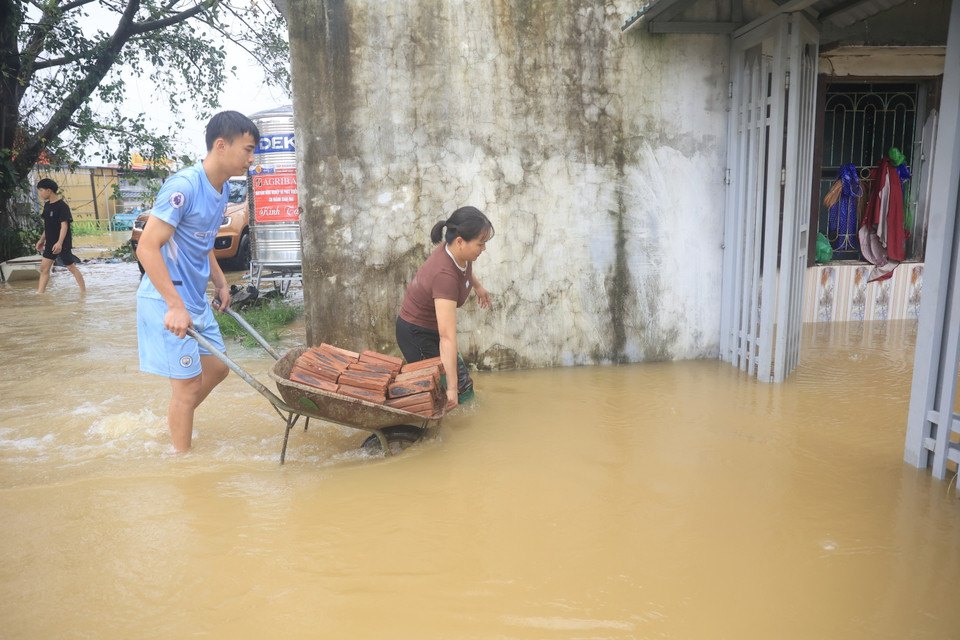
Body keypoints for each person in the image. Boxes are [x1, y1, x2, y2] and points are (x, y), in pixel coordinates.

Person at [136, 111, 259, 452]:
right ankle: (183, 464)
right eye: (248, 150)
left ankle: (174, 418)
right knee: (188, 387)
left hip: (194, 298)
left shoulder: (221, 191)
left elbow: (202, 242)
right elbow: (147, 247)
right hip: (167, 299)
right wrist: (174, 306)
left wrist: (220, 282)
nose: (252, 159)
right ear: (222, 145)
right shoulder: (184, 187)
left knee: (218, 368)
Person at [396, 206, 494, 410]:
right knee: (439, 397)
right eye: (480, 244)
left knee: (464, 388)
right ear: (460, 242)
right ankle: (431, 436)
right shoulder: (444, 277)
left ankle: (463, 427)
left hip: (432, 331)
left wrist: (478, 287)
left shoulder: (459, 253)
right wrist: (450, 389)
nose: (483, 249)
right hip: (417, 335)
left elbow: (464, 271)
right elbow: (447, 338)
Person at [35, 178, 86, 293]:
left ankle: (83, 292)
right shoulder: (47, 206)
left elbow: (64, 226)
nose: (40, 193)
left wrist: (59, 243)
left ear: (49, 191)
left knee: (71, 267)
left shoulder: (62, 206)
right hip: (50, 243)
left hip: (62, 243)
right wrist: (41, 240)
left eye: (41, 190)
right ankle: (40, 293)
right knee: (44, 269)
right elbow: (47, 226)